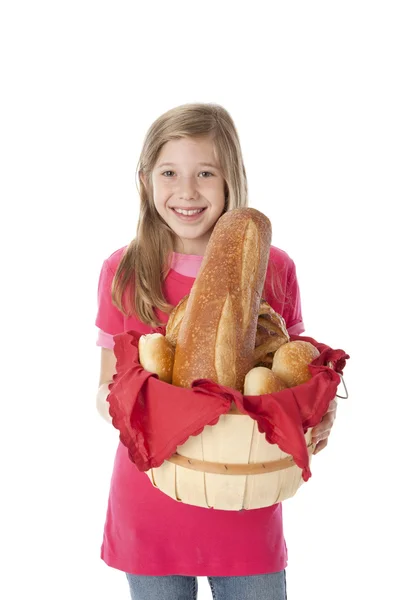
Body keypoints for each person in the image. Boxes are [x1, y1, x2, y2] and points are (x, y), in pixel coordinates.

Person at [95, 102, 337, 600]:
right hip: (152, 498)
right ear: (145, 180)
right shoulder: (124, 270)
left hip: (246, 500)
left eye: (206, 172)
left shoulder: (274, 267)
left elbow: (292, 372)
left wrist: (317, 411)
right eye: (169, 173)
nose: (187, 191)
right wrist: (135, 405)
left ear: (232, 180)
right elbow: (103, 390)